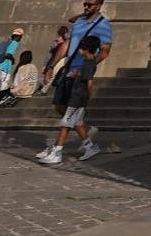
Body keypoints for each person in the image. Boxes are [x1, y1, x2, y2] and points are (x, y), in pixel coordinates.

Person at [38, 35, 103, 165]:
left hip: (78, 99)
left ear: (86, 49)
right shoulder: (86, 63)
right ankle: (90, 147)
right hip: (76, 97)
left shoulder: (89, 64)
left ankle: (57, 152)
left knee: (65, 125)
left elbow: (89, 82)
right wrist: (76, 74)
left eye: (81, 48)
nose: (79, 50)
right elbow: (84, 77)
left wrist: (88, 97)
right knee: (77, 123)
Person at [0, 27, 22, 108]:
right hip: (5, 69)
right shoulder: (14, 43)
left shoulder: (4, 43)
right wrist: (13, 59)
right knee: (3, 89)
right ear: (19, 37)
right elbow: (8, 54)